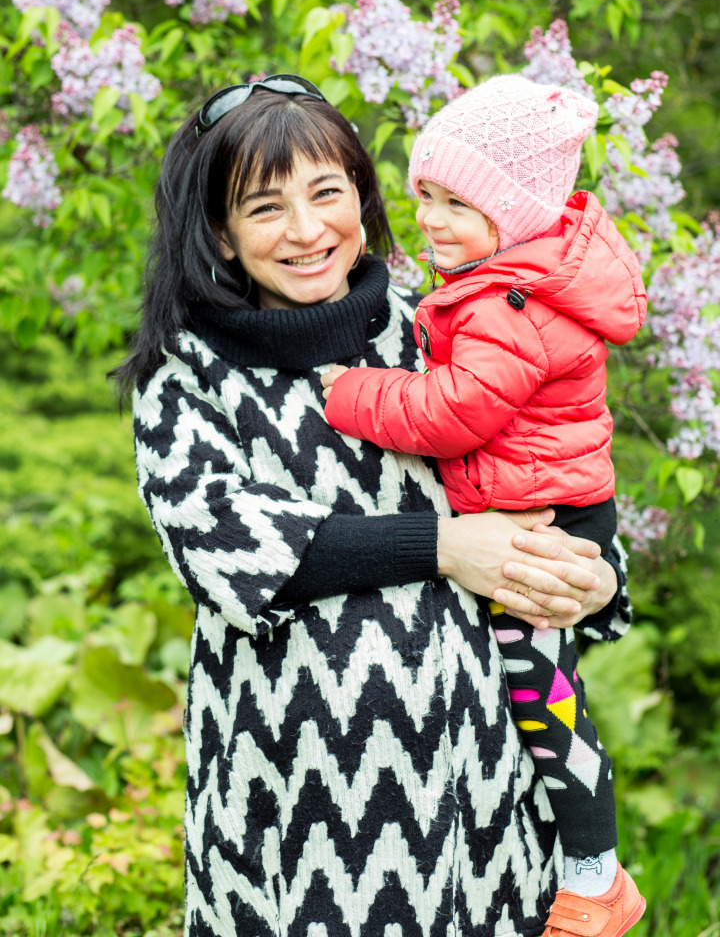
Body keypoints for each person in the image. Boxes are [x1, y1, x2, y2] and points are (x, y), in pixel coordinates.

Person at [115, 74, 632, 937]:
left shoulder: (442, 325)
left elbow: (558, 476)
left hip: (488, 808)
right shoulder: (188, 374)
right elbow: (225, 548)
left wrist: (597, 582)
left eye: (328, 192)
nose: (308, 230)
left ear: (362, 194)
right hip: (294, 812)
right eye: (266, 207)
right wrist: (444, 545)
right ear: (220, 232)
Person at [322, 74, 647, 937]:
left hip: (547, 517)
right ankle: (589, 870)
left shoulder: (509, 302)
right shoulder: (504, 280)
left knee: (545, 694)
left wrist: (350, 393)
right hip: (552, 505)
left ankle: (597, 876)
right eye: (424, 193)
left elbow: (450, 411)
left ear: (517, 213)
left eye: (457, 203)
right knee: (546, 687)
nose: (429, 219)